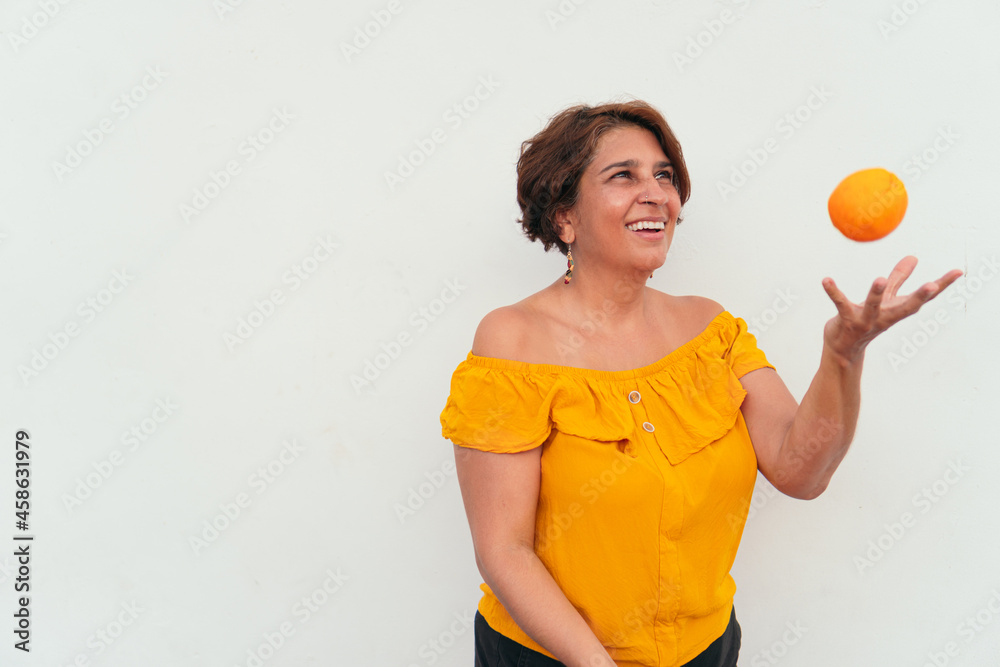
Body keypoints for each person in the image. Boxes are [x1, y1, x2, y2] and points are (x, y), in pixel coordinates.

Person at [439, 100, 962, 667]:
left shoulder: (709, 329)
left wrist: (844, 355)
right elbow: (504, 550)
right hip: (553, 657)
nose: (656, 193)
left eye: (664, 175)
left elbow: (801, 470)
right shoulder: (511, 342)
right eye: (624, 175)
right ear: (564, 216)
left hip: (705, 649)